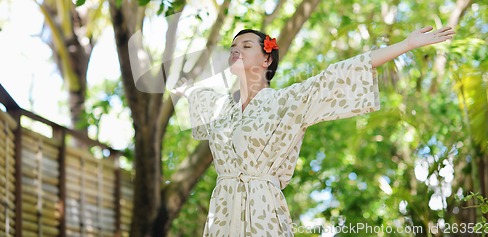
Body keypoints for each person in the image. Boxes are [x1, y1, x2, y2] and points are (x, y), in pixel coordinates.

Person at [175, 26, 455, 237]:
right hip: (223, 208)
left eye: (246, 45)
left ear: (266, 59)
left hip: (262, 207)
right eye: (233, 46)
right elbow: (184, 87)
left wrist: (405, 44)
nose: (236, 49)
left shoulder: (287, 101)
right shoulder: (220, 108)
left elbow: (337, 75)